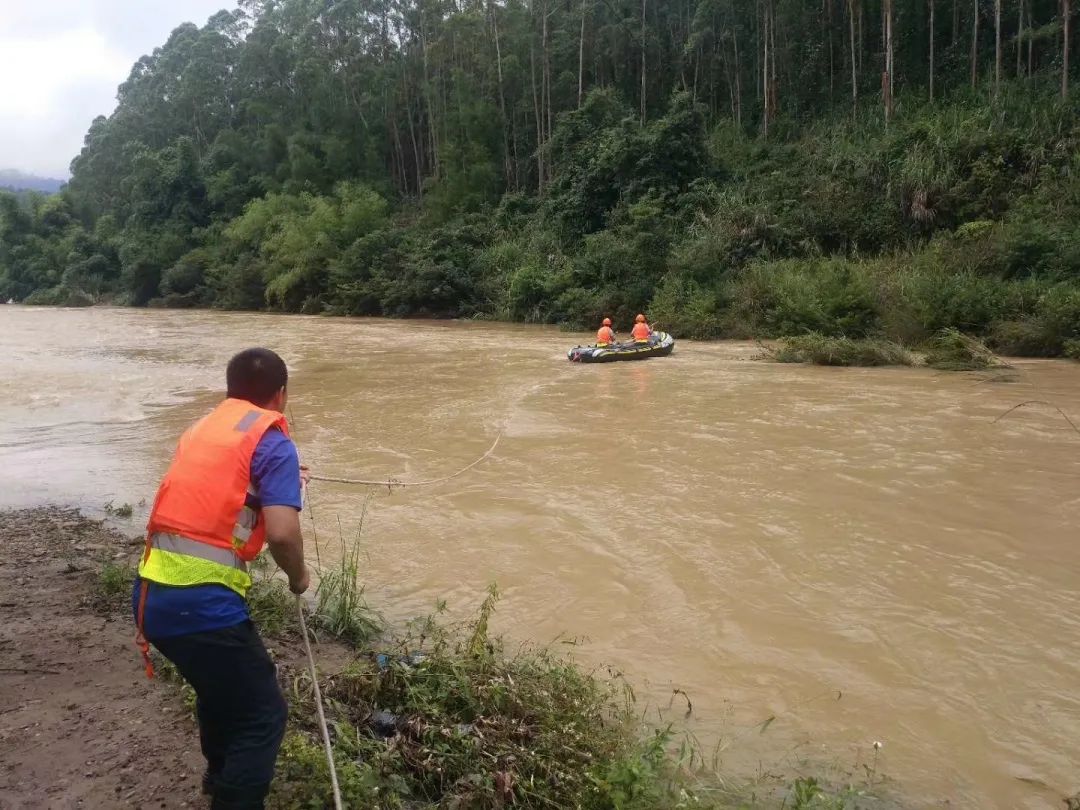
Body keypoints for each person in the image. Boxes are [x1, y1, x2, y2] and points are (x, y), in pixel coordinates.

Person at [132, 348, 310, 810]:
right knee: (263, 715)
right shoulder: (274, 442)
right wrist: (299, 577)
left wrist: (280, 480)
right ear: (281, 395)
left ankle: (218, 777)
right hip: (202, 607)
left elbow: (219, 492)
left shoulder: (203, 428)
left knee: (217, 689)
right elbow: (283, 535)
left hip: (150, 597)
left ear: (230, 390)